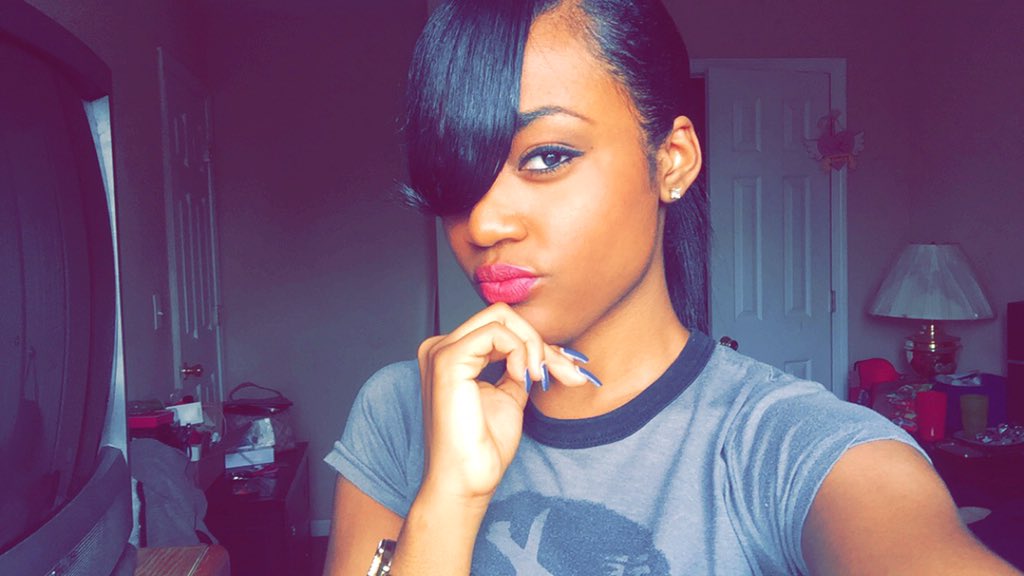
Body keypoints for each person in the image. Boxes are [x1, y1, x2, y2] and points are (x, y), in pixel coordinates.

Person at [323, 1, 1020, 574]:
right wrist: (447, 502)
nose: (482, 222)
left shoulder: (788, 446)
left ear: (673, 160)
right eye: (457, 176)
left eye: (547, 156)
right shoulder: (401, 411)